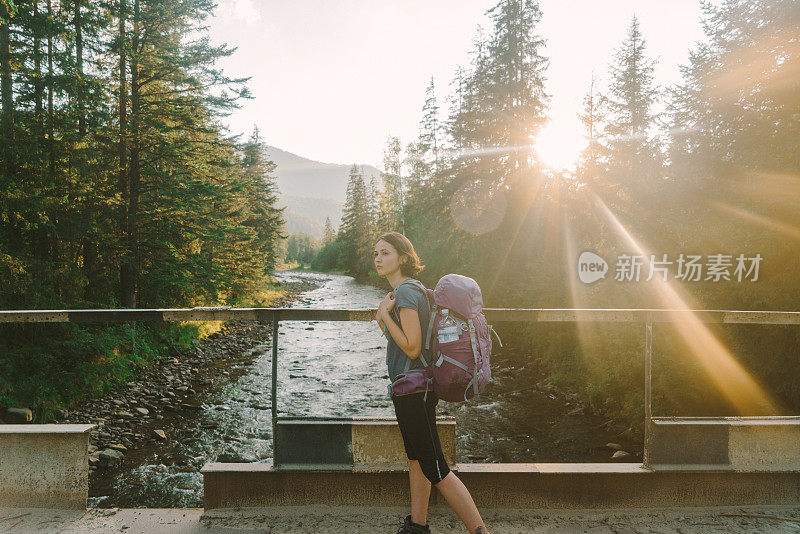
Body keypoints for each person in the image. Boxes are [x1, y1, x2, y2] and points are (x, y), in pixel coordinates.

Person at [373, 231, 489, 534]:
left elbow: (411, 348)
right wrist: (386, 318)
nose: (378, 258)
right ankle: (418, 525)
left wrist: (385, 316)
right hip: (412, 386)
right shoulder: (410, 291)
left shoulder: (408, 293)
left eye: (385, 253)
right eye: (376, 253)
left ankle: (480, 531)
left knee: (436, 468)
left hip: (414, 390)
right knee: (417, 459)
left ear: (403, 257)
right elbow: (413, 346)